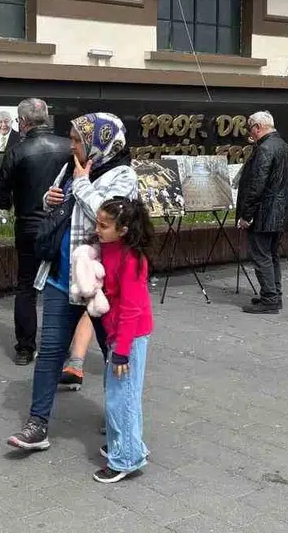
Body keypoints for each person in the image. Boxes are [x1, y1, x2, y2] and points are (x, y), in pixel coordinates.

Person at [8, 113, 138, 451]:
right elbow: (59, 209)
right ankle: (37, 425)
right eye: (72, 138)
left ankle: (118, 421)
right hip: (59, 277)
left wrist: (80, 185)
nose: (72, 145)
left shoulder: (123, 175)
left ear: (100, 143)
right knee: (50, 352)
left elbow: (106, 216)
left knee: (114, 354)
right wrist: (50, 199)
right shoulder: (72, 167)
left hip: (101, 285)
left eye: (78, 140)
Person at [0, 98, 73, 365]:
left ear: (22, 122)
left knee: (26, 287)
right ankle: (64, 344)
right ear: (46, 118)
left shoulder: (17, 151)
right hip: (62, 225)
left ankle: (25, 348)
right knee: (65, 284)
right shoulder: (68, 147)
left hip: (28, 226)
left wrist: (10, 202)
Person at [89, 197, 155, 483]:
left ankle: (126, 457)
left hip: (130, 334)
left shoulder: (132, 260)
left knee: (122, 398)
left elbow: (132, 308)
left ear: (124, 230)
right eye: (98, 223)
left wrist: (122, 351)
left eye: (104, 225)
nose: (98, 229)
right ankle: (127, 444)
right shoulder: (108, 247)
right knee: (119, 393)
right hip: (118, 332)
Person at [235, 110, 288, 314]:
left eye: (250, 129)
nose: (250, 134)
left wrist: (246, 214)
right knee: (272, 255)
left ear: (257, 127)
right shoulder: (283, 146)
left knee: (261, 255)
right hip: (280, 213)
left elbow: (256, 185)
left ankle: (269, 299)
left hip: (264, 213)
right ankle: (274, 295)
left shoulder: (264, 149)